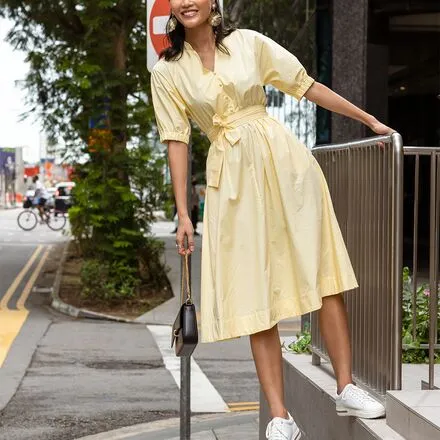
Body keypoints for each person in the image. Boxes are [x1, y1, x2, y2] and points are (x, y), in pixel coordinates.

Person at [150, 2, 394, 439]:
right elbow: (177, 141)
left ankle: (346, 386)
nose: (187, 2)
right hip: (232, 182)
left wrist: (366, 118)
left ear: (212, 4)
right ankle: (280, 417)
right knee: (254, 290)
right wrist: (184, 213)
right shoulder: (167, 72)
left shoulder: (249, 44)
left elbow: (306, 86)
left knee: (324, 272)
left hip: (285, 165)